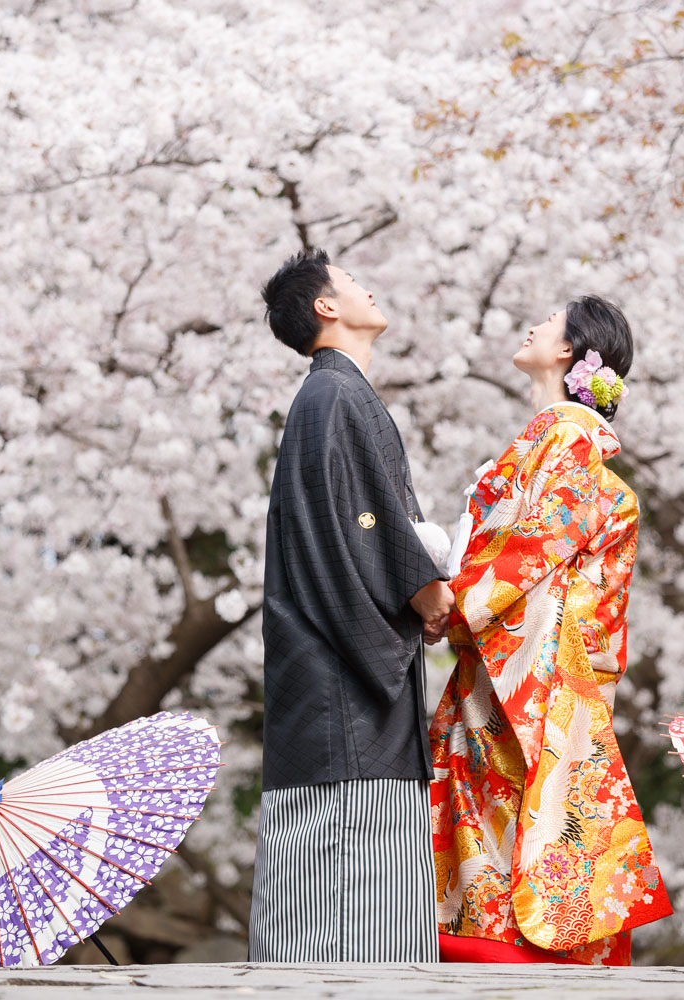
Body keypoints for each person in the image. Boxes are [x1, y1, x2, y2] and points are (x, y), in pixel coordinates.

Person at [428, 295, 672, 966]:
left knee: (505, 814)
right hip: (530, 656)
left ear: (568, 351)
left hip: (529, 662)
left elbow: (535, 541)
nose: (532, 326)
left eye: (549, 322)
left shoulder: (566, 435)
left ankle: (501, 956)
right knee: (515, 817)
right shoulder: (558, 436)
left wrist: (450, 600)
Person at [250, 247, 454, 962]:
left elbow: (363, 520)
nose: (370, 289)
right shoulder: (333, 397)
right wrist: (426, 591)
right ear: (326, 306)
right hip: (343, 704)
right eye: (353, 282)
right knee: (350, 908)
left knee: (344, 901)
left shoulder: (334, 397)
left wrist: (418, 587)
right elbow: (360, 527)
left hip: (344, 695)